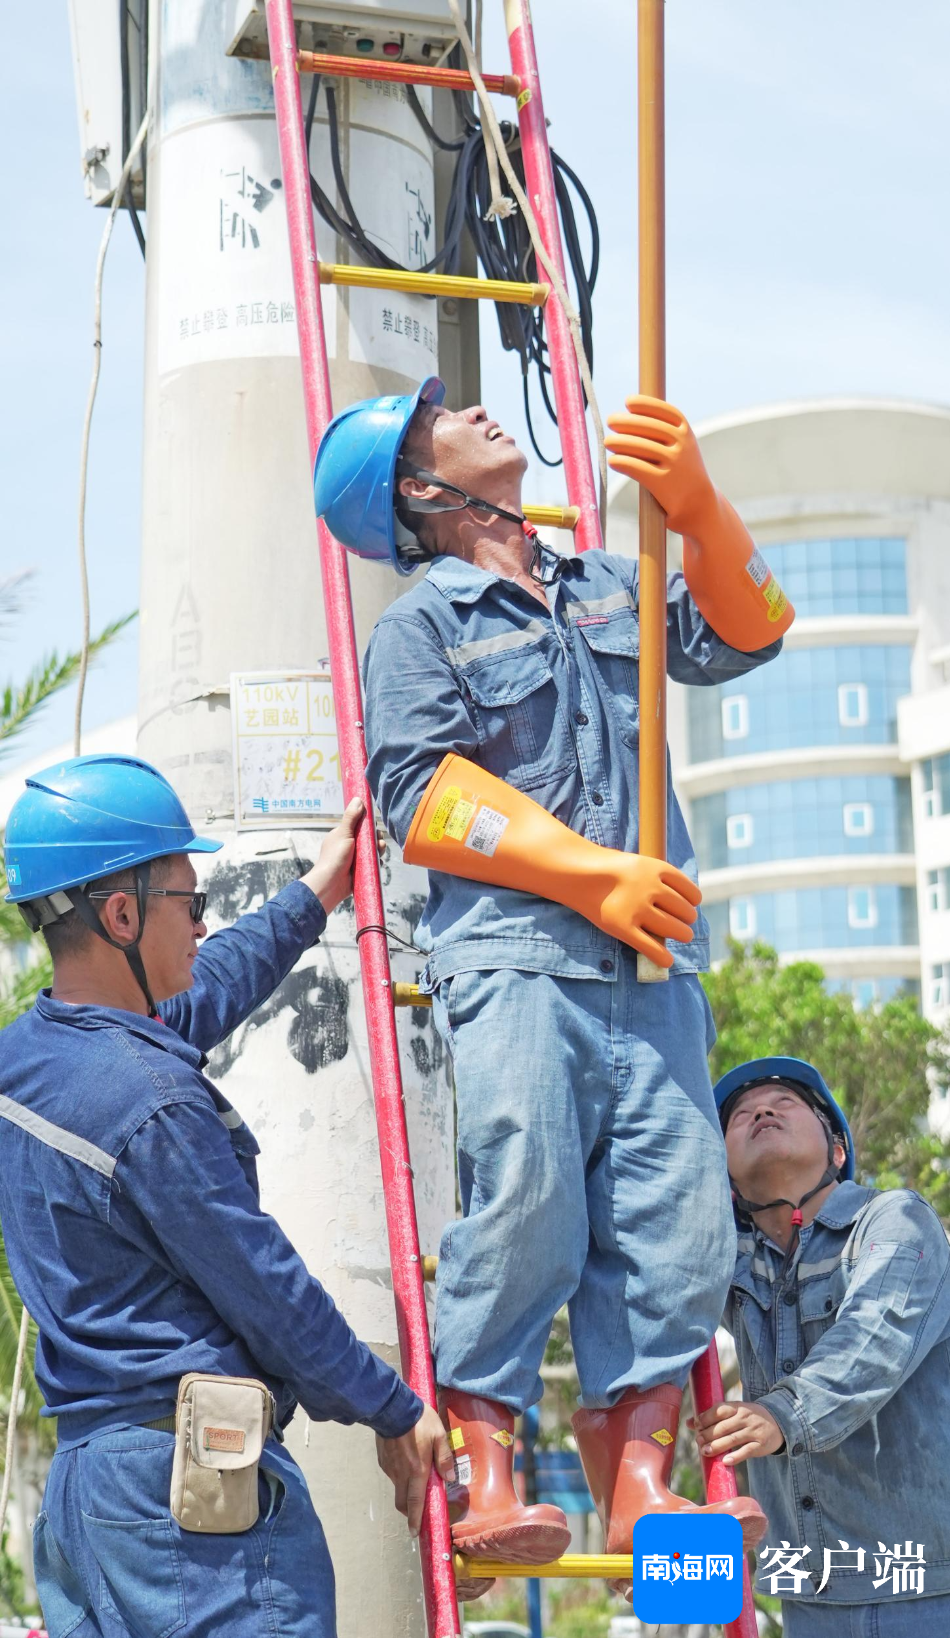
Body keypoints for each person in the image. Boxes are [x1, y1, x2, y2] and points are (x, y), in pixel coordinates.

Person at [312, 377, 790, 1590]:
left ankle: (638, 1488)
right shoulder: (420, 626)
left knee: (677, 1224)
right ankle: (488, 1475)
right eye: (446, 418)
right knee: (527, 1194)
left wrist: (698, 505)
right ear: (421, 490)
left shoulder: (610, 576)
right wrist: (592, 877)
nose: (479, 413)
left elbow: (749, 629)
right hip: (519, 961)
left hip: (650, 964)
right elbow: (420, 797)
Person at [0, 754, 453, 1639]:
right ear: (121, 913)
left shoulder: (35, 1058)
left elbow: (210, 987)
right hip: (190, 1501)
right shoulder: (151, 1102)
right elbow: (265, 1286)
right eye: (191, 900)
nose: (204, 924)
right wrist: (394, 1410)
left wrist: (317, 890)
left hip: (92, 1499)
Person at [696, 1056, 950, 1639]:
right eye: (738, 1116)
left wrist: (780, 1414)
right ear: (729, 1178)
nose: (760, 1109)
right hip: (810, 1595)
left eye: (784, 1103)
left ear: (836, 1150)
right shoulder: (733, 1263)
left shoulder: (895, 1221)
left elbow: (875, 1336)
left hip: (923, 1588)